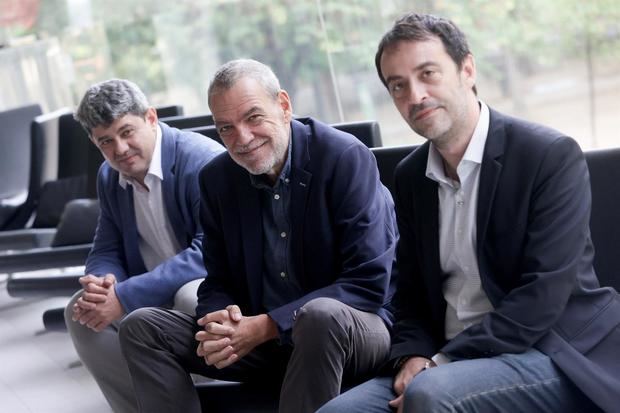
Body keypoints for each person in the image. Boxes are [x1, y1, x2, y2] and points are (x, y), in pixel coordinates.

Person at [319, 12, 620, 413]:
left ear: (467, 70)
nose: (415, 95)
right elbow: (410, 294)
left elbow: (543, 295)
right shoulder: (410, 176)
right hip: (444, 359)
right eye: (398, 85)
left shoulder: (547, 155)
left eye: (428, 73)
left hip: (551, 349)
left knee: (431, 393)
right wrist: (414, 355)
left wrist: (440, 363)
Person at [118, 59, 398, 413]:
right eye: (226, 128)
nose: (243, 139)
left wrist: (267, 326)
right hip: (260, 338)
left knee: (318, 316)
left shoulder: (343, 157)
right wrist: (220, 319)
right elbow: (217, 279)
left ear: (283, 105)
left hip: (354, 332)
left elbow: (368, 283)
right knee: (142, 327)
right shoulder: (217, 178)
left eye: (253, 117)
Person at [65, 78, 225, 413]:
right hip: (150, 289)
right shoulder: (109, 176)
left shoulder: (201, 162)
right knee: (81, 311)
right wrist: (103, 283)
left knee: (190, 296)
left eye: (127, 132)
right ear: (94, 142)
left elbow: (210, 252)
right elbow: (106, 246)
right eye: (106, 141)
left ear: (151, 118)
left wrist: (124, 296)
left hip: (214, 284)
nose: (120, 149)